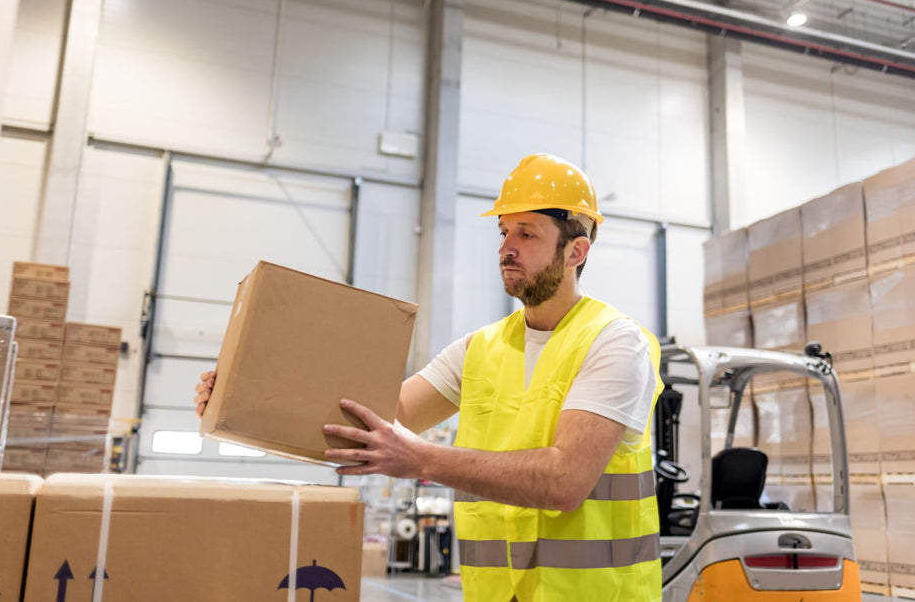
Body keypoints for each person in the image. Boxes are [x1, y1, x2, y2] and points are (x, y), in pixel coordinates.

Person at [195, 153, 663, 601]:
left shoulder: (615, 342)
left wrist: (422, 459)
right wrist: (244, 393)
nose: (506, 248)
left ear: (576, 251)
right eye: (503, 232)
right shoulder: (479, 349)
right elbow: (372, 418)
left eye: (527, 233)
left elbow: (565, 480)